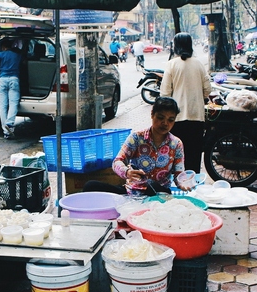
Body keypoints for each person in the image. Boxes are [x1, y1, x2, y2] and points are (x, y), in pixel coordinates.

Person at [83, 97, 189, 195]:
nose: (165, 123)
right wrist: (127, 172)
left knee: (152, 185)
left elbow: (179, 175)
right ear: (152, 114)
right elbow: (117, 162)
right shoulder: (137, 138)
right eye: (161, 117)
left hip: (159, 195)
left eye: (170, 120)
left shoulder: (176, 144)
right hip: (132, 192)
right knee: (90, 186)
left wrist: (183, 183)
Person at [161, 32, 212, 172]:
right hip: (197, 118)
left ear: (176, 46)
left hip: (176, 119)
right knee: (194, 156)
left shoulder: (171, 65)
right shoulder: (199, 64)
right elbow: (208, 89)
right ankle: (193, 185)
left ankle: (177, 186)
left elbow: (165, 93)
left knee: (176, 156)